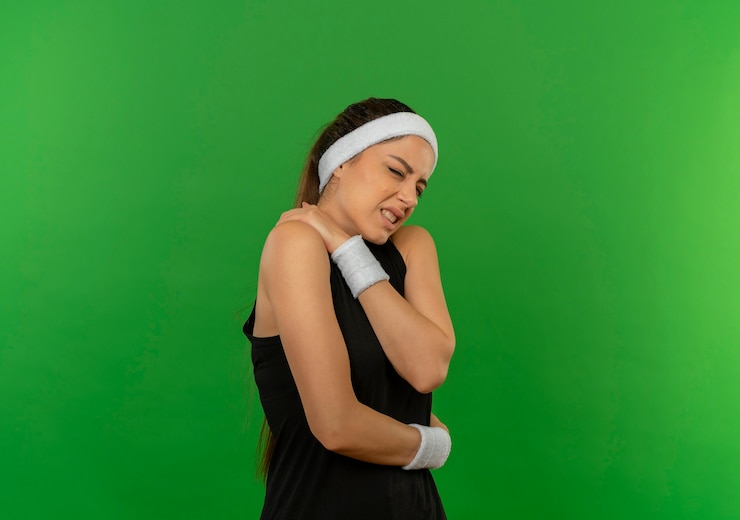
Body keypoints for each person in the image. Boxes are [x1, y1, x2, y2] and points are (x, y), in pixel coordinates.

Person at [243, 97, 455, 519]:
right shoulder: (294, 244)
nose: (409, 197)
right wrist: (433, 445)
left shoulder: (413, 246)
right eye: (396, 171)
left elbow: (428, 369)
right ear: (341, 162)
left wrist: (346, 248)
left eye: (419, 186)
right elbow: (337, 426)